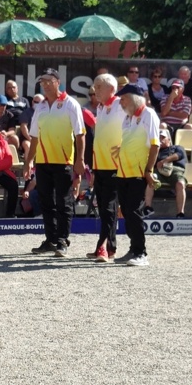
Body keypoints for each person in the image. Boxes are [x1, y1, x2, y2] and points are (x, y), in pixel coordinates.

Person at [23, 67, 86, 257]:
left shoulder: (70, 104)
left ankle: (62, 240)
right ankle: (50, 239)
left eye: (49, 81)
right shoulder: (40, 106)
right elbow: (34, 137)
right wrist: (28, 162)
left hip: (63, 161)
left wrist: (80, 159)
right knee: (46, 202)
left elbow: (80, 134)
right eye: (42, 82)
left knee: (64, 201)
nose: (45, 85)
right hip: (43, 161)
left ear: (58, 82)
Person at [112, 83, 160, 267]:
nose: (121, 103)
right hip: (123, 172)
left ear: (133, 98)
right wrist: (121, 149)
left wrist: (149, 170)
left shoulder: (149, 114)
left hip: (138, 173)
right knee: (126, 212)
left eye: (123, 99)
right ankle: (133, 249)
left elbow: (155, 145)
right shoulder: (128, 118)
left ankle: (141, 253)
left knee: (134, 211)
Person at [86, 73, 123, 262]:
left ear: (111, 88)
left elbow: (131, 126)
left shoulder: (120, 105)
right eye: (95, 86)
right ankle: (110, 247)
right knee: (103, 207)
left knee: (108, 207)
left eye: (99, 86)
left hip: (114, 165)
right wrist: (93, 168)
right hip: (100, 164)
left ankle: (103, 247)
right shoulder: (101, 108)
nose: (95, 90)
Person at [146, 129, 187, 217]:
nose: (160, 139)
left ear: (169, 139)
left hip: (175, 170)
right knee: (151, 178)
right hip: (159, 171)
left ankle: (180, 213)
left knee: (180, 183)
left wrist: (165, 160)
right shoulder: (155, 150)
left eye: (163, 137)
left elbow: (179, 155)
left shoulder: (176, 147)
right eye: (159, 138)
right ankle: (148, 207)